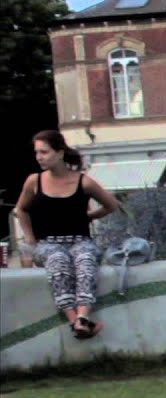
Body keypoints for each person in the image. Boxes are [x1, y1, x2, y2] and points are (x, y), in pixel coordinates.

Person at [13, 129, 120, 339]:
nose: (39, 157)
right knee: (58, 262)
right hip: (48, 243)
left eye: (44, 152)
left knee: (85, 260)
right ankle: (76, 321)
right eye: (37, 152)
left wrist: (89, 217)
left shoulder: (83, 182)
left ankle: (82, 317)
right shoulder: (34, 181)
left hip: (80, 240)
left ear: (60, 153)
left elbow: (111, 205)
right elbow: (21, 210)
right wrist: (30, 237)